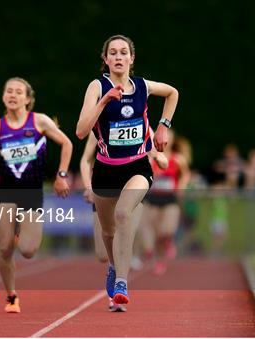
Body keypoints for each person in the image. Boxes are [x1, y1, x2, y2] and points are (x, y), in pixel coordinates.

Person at [76, 34, 178, 306]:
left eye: (124, 53)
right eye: (113, 53)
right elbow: (81, 130)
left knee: (124, 213)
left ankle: (122, 281)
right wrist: (103, 101)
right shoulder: (97, 86)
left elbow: (172, 93)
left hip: (138, 167)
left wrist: (163, 125)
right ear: (106, 59)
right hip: (106, 172)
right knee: (108, 232)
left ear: (132, 59)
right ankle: (113, 266)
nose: (119, 57)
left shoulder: (143, 86)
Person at [0, 77, 72, 313]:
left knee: (28, 251)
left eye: (18, 92)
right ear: (3, 97)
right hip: (6, 190)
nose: (13, 95)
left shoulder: (39, 121)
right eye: (8, 91)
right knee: (4, 248)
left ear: (27, 99)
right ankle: (11, 295)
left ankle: (19, 232)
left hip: (32, 190)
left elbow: (67, 144)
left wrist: (61, 175)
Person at [143, 130, 189, 274]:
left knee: (166, 230)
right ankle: (159, 260)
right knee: (156, 234)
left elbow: (185, 174)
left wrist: (181, 187)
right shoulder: (152, 158)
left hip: (170, 198)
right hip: (154, 197)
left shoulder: (177, 159)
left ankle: (169, 242)